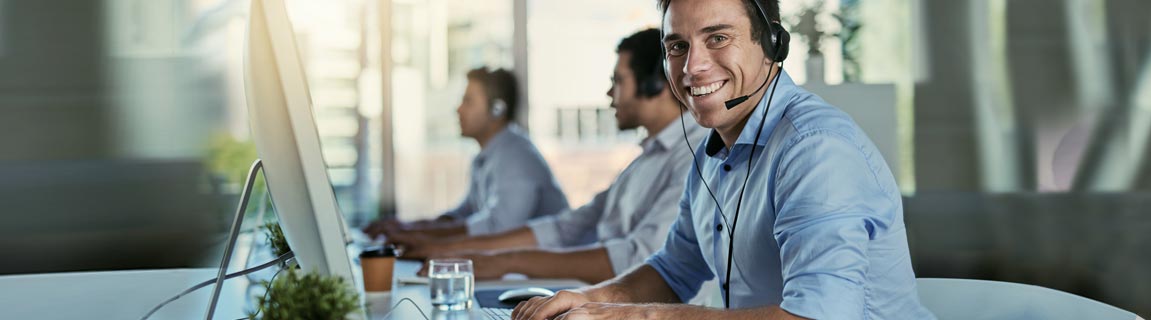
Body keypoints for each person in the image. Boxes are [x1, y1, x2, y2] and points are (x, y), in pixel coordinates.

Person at [511, 0, 935, 319]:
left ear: (772, 42)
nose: (691, 67)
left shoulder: (816, 150)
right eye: (677, 45)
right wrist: (586, 300)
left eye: (717, 38)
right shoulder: (712, 154)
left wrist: (633, 315)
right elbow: (673, 270)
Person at [401, 29, 706, 285]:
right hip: (600, 298)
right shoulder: (647, 157)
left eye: (619, 81)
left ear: (657, 84)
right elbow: (567, 227)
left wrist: (503, 262)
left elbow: (639, 259)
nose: (610, 94)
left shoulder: (694, 156)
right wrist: (453, 249)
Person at [364, 68, 569, 240]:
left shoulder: (517, 157)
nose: (459, 109)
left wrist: (417, 233)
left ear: (497, 109)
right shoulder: (488, 156)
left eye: (468, 101)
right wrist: (408, 227)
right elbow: (464, 215)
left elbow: (498, 228)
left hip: (547, 279)